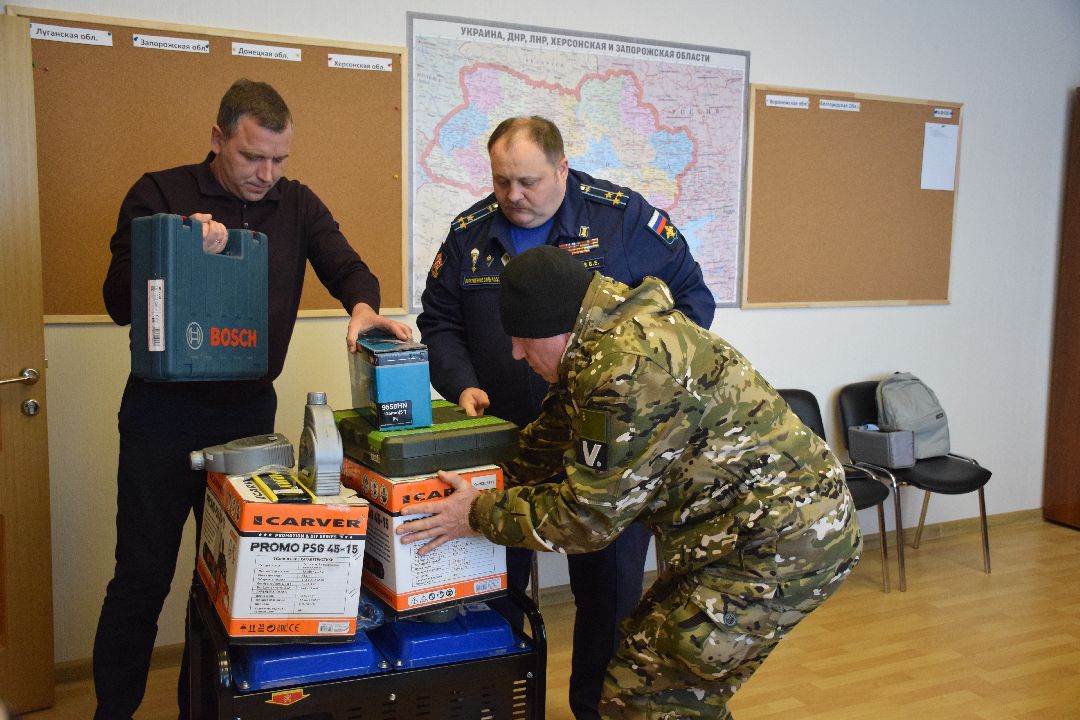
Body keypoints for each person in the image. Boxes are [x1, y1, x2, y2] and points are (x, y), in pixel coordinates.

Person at [400, 246, 861, 719]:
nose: (516, 353)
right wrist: (483, 482)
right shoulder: (598, 342)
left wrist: (475, 514)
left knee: (651, 696)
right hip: (739, 536)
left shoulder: (626, 371)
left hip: (781, 545)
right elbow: (547, 440)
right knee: (649, 680)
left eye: (521, 339)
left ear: (556, 327)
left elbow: (586, 519)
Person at [96, 78, 410, 720]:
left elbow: (348, 267)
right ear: (218, 140)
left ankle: (200, 709)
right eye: (251, 157)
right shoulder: (159, 193)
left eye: (279, 160)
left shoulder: (297, 205)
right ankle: (113, 712)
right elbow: (116, 299)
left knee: (224, 583)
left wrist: (364, 307)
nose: (266, 174)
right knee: (142, 577)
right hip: (162, 414)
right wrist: (179, 245)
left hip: (247, 419)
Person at [417, 116, 715, 719]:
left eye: (527, 181)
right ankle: (495, 705)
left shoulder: (623, 219)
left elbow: (692, 303)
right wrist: (462, 384)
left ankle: (591, 710)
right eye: (501, 181)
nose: (513, 196)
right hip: (509, 443)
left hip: (610, 447)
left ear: (562, 170)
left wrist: (636, 390)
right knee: (493, 581)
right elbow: (440, 322)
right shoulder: (470, 233)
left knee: (606, 596)